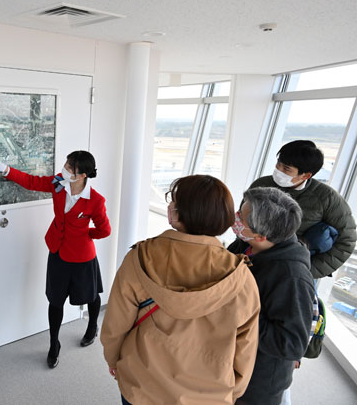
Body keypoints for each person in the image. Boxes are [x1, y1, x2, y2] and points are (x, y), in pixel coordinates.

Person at [101, 175, 260, 405]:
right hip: (208, 394)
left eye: (173, 200)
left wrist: (114, 360)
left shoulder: (140, 258)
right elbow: (245, 347)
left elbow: (115, 325)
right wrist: (232, 391)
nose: (170, 205)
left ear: (180, 213)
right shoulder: (242, 278)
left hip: (141, 383)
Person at [0, 150, 111, 368]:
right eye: (66, 164)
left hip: (82, 257)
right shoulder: (58, 183)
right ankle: (54, 344)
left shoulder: (96, 200)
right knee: (55, 300)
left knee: (91, 295)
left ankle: (92, 327)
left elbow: (104, 230)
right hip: (58, 251)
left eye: (70, 167)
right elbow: (31, 182)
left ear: (82, 175)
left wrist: (84, 234)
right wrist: (5, 169)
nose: (64, 168)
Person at [228, 187, 315, 405]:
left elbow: (292, 344)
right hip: (229, 363)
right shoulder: (244, 244)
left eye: (241, 218)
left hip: (256, 384)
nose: (235, 218)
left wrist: (240, 315)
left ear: (261, 236)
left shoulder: (292, 277)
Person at [250, 140, 356, 278]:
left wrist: (307, 271)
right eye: (278, 164)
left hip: (293, 272)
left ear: (306, 175)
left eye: (286, 169)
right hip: (253, 260)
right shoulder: (261, 185)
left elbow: (347, 241)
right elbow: (243, 221)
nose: (279, 170)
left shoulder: (327, 198)